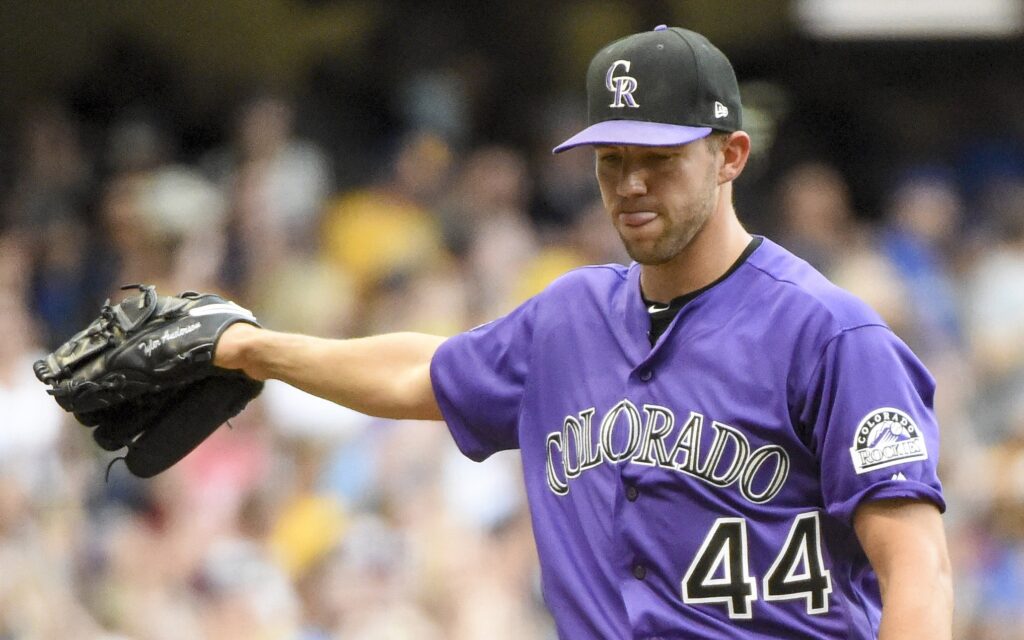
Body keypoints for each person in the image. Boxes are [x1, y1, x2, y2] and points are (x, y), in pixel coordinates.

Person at [214, 26, 952, 639]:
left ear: (730, 156)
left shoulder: (828, 333)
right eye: (611, 160)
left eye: (658, 159)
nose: (630, 184)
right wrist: (253, 349)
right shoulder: (568, 315)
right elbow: (419, 373)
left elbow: (918, 569)